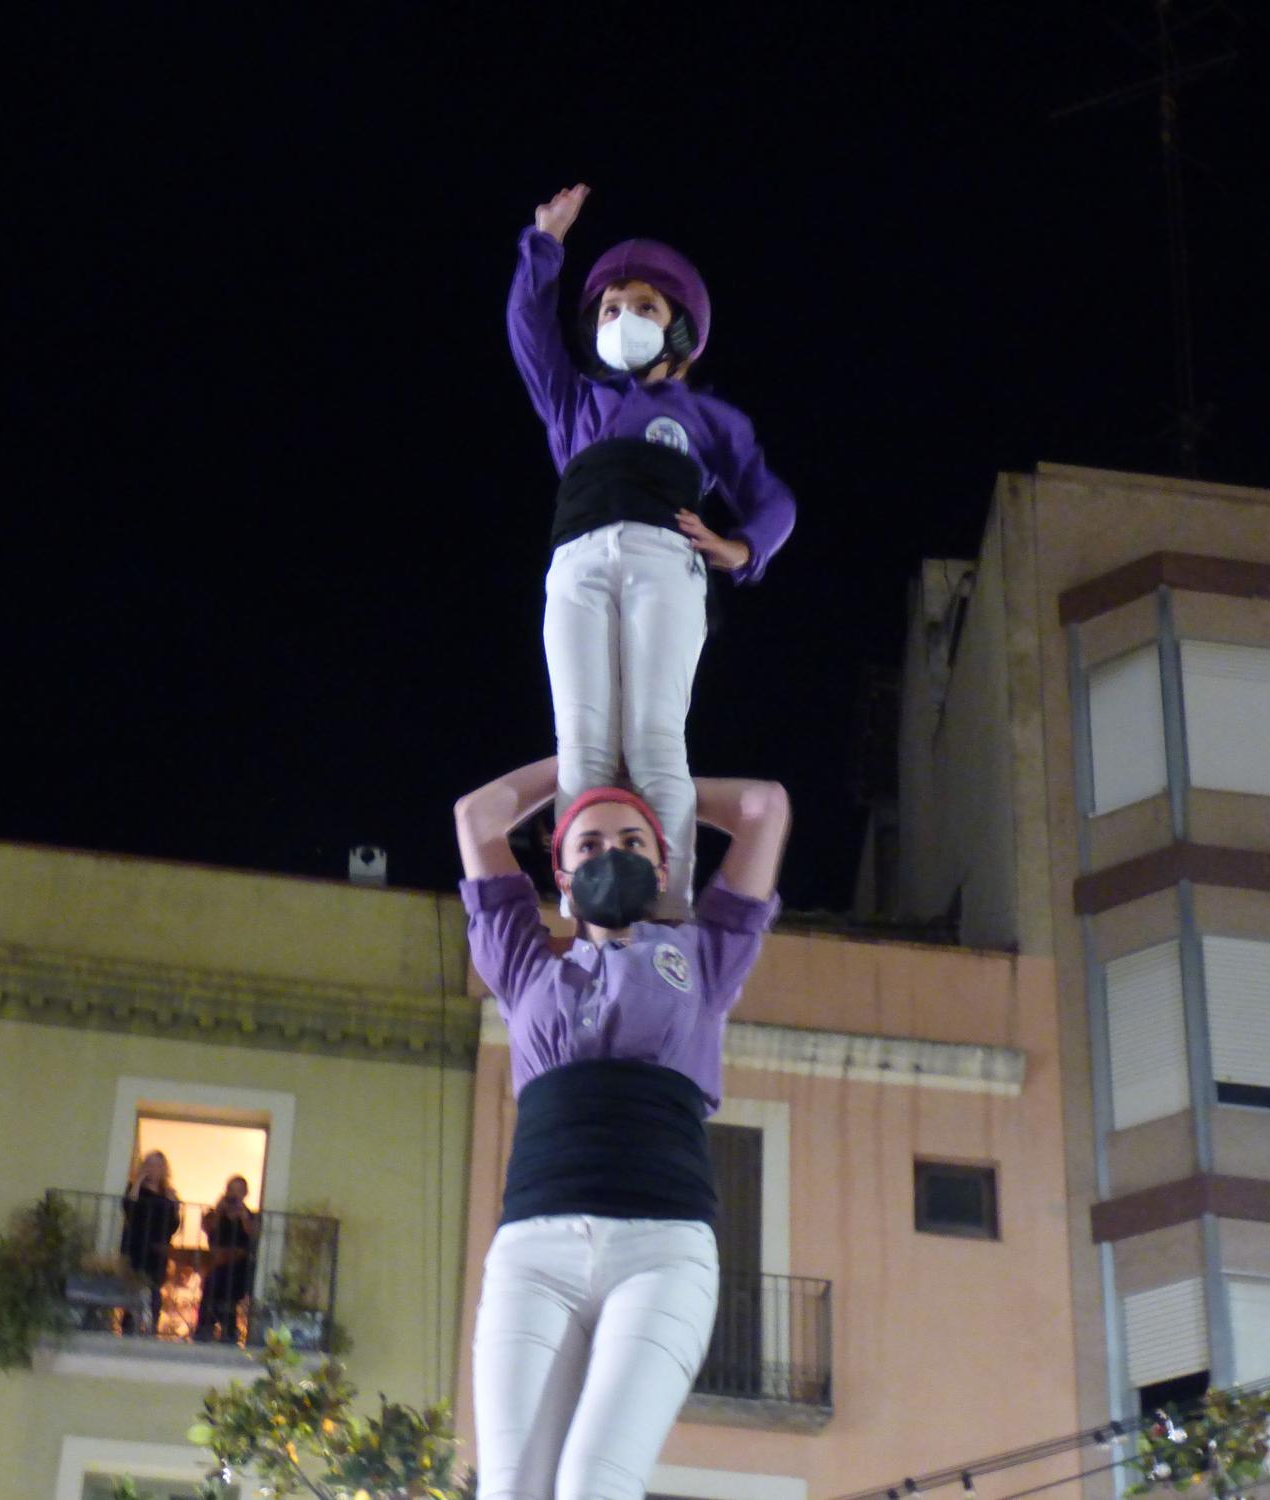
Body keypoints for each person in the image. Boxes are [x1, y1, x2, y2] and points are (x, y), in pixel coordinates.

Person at [455, 755, 791, 1500]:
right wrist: (575, 770)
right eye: (592, 845)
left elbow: (764, 806)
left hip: (661, 1251)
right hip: (535, 1252)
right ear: (562, 877)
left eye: (636, 843)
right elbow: (477, 818)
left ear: (664, 867)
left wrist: (659, 786)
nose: (615, 854)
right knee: (511, 1489)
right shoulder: (523, 964)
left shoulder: (705, 955)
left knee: (593, 1484)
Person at [510, 183, 797, 917]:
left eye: (642, 307)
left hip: (663, 564)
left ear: (678, 330)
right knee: (584, 746)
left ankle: (666, 916)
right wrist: (544, 246)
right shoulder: (578, 403)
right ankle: (587, 913)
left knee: (652, 739)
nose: (622, 319)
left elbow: (772, 499)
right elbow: (528, 333)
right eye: (609, 309)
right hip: (574, 566)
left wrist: (741, 548)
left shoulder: (709, 417)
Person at [118, 1150, 181, 1335]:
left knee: (155, 1286)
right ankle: (128, 1325)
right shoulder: (134, 1188)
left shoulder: (167, 1194)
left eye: (157, 1165)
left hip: (158, 1247)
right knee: (133, 1284)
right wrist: (138, 1181)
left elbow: (173, 1225)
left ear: (163, 1170)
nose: (152, 1169)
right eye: (149, 1164)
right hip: (135, 1244)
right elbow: (129, 1208)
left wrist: (175, 1206)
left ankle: (152, 1326)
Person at [196, 1175, 260, 1344]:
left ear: (245, 1193)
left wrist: (243, 1215)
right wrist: (219, 1211)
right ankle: (204, 1330)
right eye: (231, 1189)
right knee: (210, 1294)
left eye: (238, 1191)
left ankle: (229, 1332)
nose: (234, 1194)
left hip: (239, 1265)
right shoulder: (216, 1213)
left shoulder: (250, 1215)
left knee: (231, 1299)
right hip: (217, 1263)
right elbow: (209, 1230)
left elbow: (253, 1235)